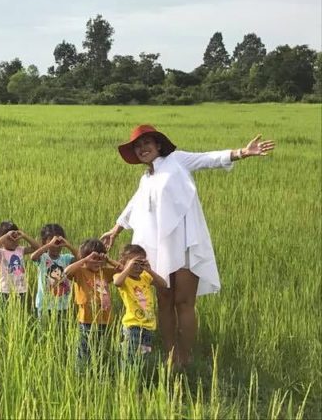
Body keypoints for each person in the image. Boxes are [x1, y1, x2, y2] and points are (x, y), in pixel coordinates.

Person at [100, 124, 276, 367]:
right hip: (157, 247)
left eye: (146, 143)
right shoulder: (146, 179)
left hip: (183, 243)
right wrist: (115, 229)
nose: (142, 149)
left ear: (158, 145)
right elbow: (134, 205)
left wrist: (242, 152)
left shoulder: (177, 161)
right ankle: (170, 354)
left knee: (184, 301)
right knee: (164, 300)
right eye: (137, 147)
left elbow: (207, 158)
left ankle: (184, 356)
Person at [65, 238, 120, 366]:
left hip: (104, 319)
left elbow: (122, 270)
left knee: (99, 350)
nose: (97, 261)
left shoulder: (105, 273)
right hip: (87, 320)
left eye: (99, 258)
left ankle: (95, 370)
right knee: (84, 350)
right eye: (93, 258)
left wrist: (108, 260)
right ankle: (81, 371)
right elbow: (67, 271)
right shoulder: (80, 272)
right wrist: (84, 260)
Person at [113, 244, 167, 365]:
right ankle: (126, 378)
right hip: (133, 326)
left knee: (143, 358)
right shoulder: (123, 278)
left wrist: (149, 270)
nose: (138, 267)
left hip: (148, 327)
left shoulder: (145, 277)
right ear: (123, 262)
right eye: (134, 264)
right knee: (129, 356)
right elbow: (117, 283)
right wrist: (128, 267)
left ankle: (139, 377)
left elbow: (163, 284)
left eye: (140, 264)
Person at [30, 224, 78, 319]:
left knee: (61, 330)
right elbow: (33, 257)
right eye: (53, 244)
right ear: (44, 242)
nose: (56, 246)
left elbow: (80, 258)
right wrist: (49, 245)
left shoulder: (66, 258)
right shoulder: (43, 258)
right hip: (45, 305)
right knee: (44, 329)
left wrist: (67, 245)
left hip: (62, 305)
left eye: (58, 243)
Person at [0, 221, 39, 303]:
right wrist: (6, 235)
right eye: (9, 239)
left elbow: (36, 247)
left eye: (15, 239)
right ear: (2, 240)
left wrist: (23, 236)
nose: (13, 241)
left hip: (21, 288)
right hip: (5, 290)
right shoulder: (0, 252)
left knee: (19, 311)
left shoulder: (20, 250)